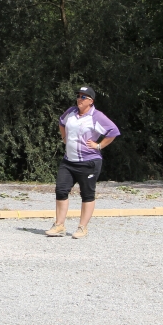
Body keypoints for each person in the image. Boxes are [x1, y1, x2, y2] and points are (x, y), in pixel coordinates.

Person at [46, 85, 120, 239]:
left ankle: (82, 228)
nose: (79, 99)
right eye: (78, 96)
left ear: (91, 101)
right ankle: (59, 225)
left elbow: (113, 131)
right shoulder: (71, 112)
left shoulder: (96, 116)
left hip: (89, 162)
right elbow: (61, 122)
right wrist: (64, 138)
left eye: (83, 97)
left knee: (87, 194)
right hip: (69, 161)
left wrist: (99, 145)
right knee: (61, 190)